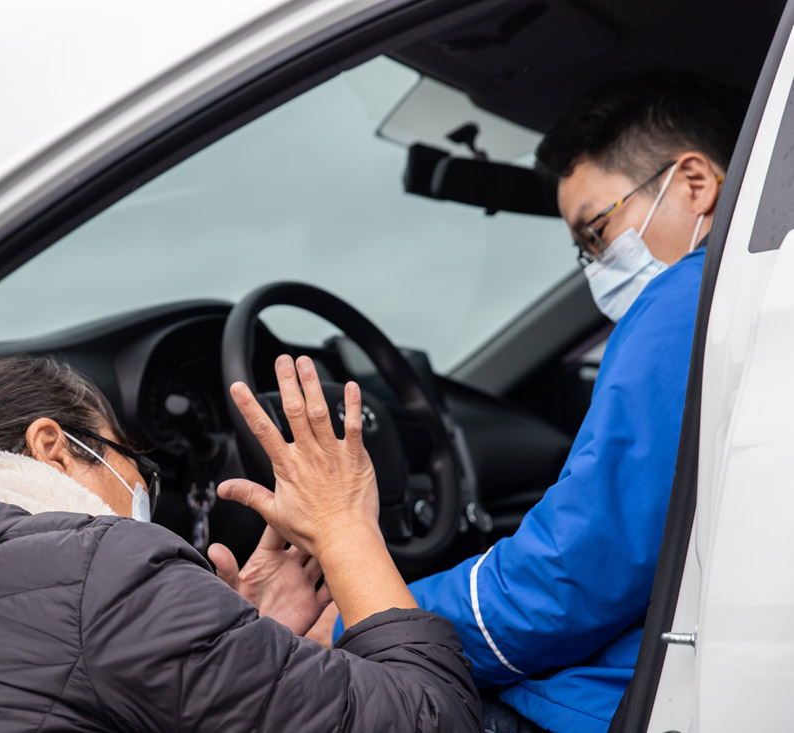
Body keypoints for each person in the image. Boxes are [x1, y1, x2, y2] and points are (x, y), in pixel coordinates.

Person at [297, 72, 745, 733]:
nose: (596, 265)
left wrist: (355, 620)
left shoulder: (687, 301)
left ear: (696, 183)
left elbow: (570, 577)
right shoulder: (736, 303)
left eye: (597, 231)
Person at [0, 354, 481, 732]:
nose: (144, 487)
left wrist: (238, 645)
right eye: (136, 464)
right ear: (53, 447)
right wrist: (345, 525)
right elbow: (433, 720)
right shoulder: (106, 569)